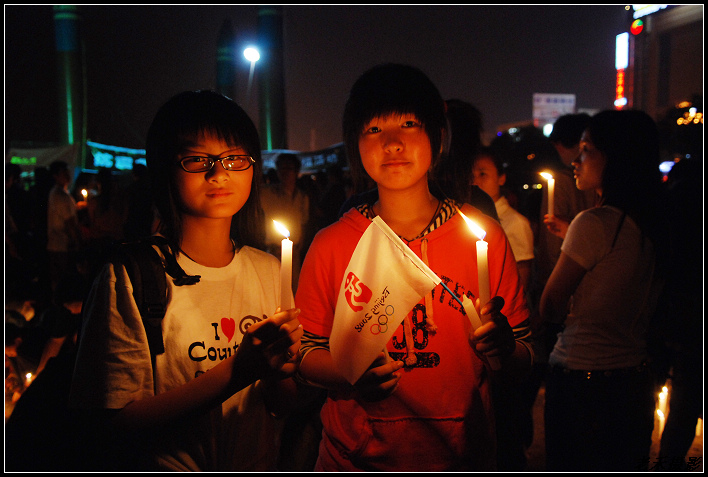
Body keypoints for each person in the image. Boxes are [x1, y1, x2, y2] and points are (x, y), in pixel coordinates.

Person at [295, 63, 532, 471]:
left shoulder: (484, 236)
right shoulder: (332, 243)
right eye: (373, 129)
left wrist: (506, 350)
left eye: (408, 123)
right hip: (354, 458)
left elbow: (526, 351)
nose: (392, 143)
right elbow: (304, 352)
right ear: (355, 143)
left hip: (462, 453)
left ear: (438, 136)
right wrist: (348, 372)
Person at [68, 90, 303, 471]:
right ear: (164, 169)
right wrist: (235, 372)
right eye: (196, 159)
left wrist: (279, 372)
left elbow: (280, 405)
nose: (219, 173)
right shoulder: (129, 276)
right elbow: (111, 422)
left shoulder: (268, 270)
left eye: (234, 158)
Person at [540, 109, 666, 471]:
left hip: (582, 380)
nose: (577, 162)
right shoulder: (651, 221)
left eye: (587, 151)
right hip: (634, 380)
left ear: (615, 157)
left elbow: (550, 305)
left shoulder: (594, 223)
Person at [472, 146, 534, 291]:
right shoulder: (470, 218)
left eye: (482, 174)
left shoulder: (516, 223)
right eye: (471, 175)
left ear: (501, 178)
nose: (475, 182)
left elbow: (520, 281)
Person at [260, 153, 310, 291]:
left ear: (296, 171)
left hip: (294, 252)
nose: (285, 172)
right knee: (273, 289)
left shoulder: (302, 197)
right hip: (273, 251)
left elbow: (303, 222)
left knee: (293, 289)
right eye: (281, 168)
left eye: (289, 168)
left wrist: (301, 244)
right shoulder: (267, 193)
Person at [46, 160, 83, 294]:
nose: (67, 175)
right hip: (61, 245)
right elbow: (69, 223)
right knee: (62, 280)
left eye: (67, 172)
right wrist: (77, 242)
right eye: (63, 173)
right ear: (55, 176)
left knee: (59, 280)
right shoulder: (60, 195)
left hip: (57, 244)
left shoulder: (61, 193)